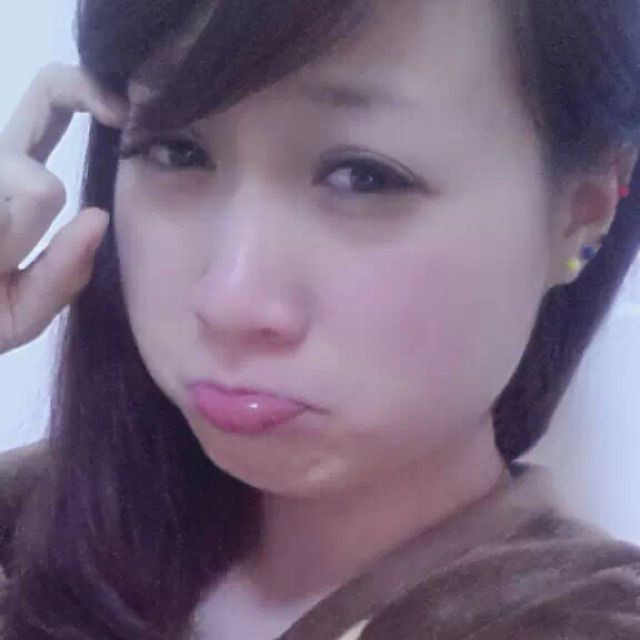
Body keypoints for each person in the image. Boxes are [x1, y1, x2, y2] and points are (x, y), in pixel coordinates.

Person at [1, 0, 640, 638]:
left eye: (364, 177)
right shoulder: (29, 525)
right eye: (177, 151)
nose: (229, 302)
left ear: (582, 213)